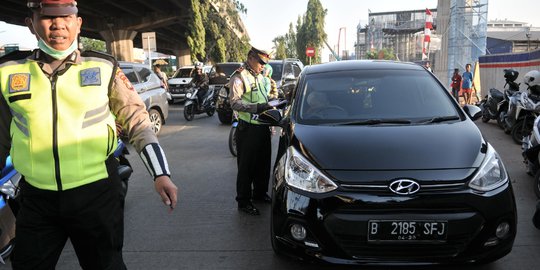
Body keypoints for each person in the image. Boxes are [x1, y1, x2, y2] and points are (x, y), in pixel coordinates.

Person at [0, 1, 178, 269]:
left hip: (96, 195)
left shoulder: (104, 66)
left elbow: (138, 122)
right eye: (47, 17)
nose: (58, 24)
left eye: (65, 17)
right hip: (36, 199)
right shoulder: (8, 70)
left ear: (78, 23)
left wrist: (160, 173)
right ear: (31, 24)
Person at [229, 47, 274, 215]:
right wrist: (256, 107)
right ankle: (243, 201)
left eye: (265, 63)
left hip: (263, 126)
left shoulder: (261, 76)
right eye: (261, 62)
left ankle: (260, 193)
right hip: (247, 129)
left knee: (263, 164)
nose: (263, 66)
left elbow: (265, 97)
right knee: (247, 167)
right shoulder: (239, 77)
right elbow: (234, 103)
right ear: (250, 57)